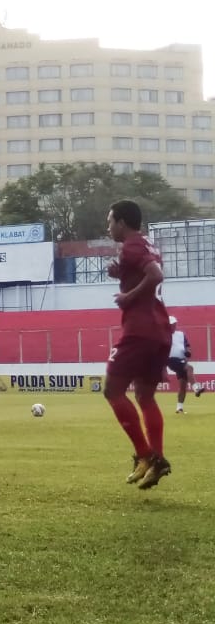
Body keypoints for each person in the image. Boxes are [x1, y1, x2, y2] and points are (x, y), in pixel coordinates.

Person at [104, 199, 173, 490]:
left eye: (110, 221)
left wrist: (128, 296)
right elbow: (148, 269)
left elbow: (155, 275)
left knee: (113, 390)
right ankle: (154, 459)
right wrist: (120, 273)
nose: (107, 227)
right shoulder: (148, 244)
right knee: (145, 396)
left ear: (122, 222)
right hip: (160, 330)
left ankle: (147, 456)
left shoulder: (130, 245)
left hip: (139, 331)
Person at [167, 315, 203, 413]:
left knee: (183, 385)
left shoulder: (181, 334)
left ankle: (179, 408)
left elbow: (187, 345)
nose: (173, 326)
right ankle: (196, 388)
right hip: (171, 360)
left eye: (174, 324)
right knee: (189, 368)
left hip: (182, 359)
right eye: (171, 324)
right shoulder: (164, 334)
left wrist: (188, 351)